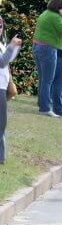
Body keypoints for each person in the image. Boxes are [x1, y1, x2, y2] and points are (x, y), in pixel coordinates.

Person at [33, 0, 62, 116]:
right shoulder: (56, 17)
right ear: (61, 8)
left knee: (43, 78)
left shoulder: (45, 13)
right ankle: (45, 108)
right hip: (48, 49)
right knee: (48, 79)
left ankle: (42, 104)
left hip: (37, 46)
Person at [0, 18, 21, 164]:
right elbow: (2, 62)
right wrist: (11, 46)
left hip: (2, 86)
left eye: (0, 25)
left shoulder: (1, 44)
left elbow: (7, 60)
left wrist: (13, 47)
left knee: (2, 123)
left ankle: (1, 156)